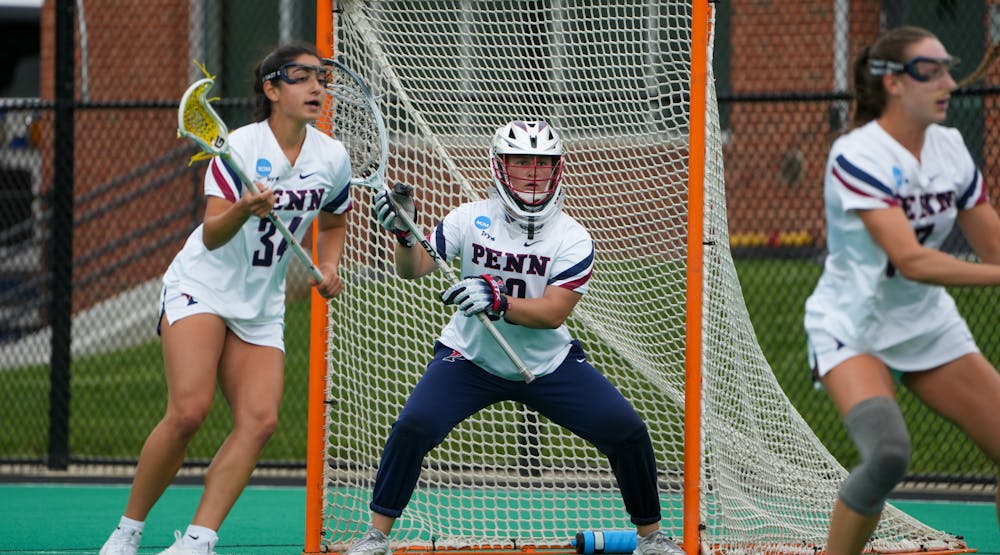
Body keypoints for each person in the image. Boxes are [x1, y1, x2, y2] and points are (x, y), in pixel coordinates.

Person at [346, 119, 684, 555]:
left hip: (547, 364)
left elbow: (552, 313)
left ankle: (652, 538)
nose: (532, 171)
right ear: (499, 165)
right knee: (415, 424)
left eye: (543, 162)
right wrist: (402, 234)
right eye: (521, 160)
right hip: (470, 358)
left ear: (557, 169)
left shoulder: (573, 237)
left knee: (626, 430)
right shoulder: (468, 219)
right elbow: (413, 269)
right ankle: (376, 536)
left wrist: (498, 300)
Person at [100, 43, 353, 555]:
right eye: (302, 78)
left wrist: (328, 267)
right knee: (189, 411)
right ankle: (127, 532)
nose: (316, 88)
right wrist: (245, 208)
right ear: (271, 89)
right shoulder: (239, 146)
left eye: (321, 79)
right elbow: (213, 233)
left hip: (260, 303)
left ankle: (199, 539)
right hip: (203, 286)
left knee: (260, 421)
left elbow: (335, 221)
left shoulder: (333, 156)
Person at [804, 25, 1000, 554]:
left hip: (925, 323)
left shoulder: (951, 148)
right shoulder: (857, 154)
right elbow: (910, 260)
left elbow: (994, 252)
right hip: (853, 326)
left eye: (948, 69)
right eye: (928, 71)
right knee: (888, 452)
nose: (949, 83)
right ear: (892, 83)